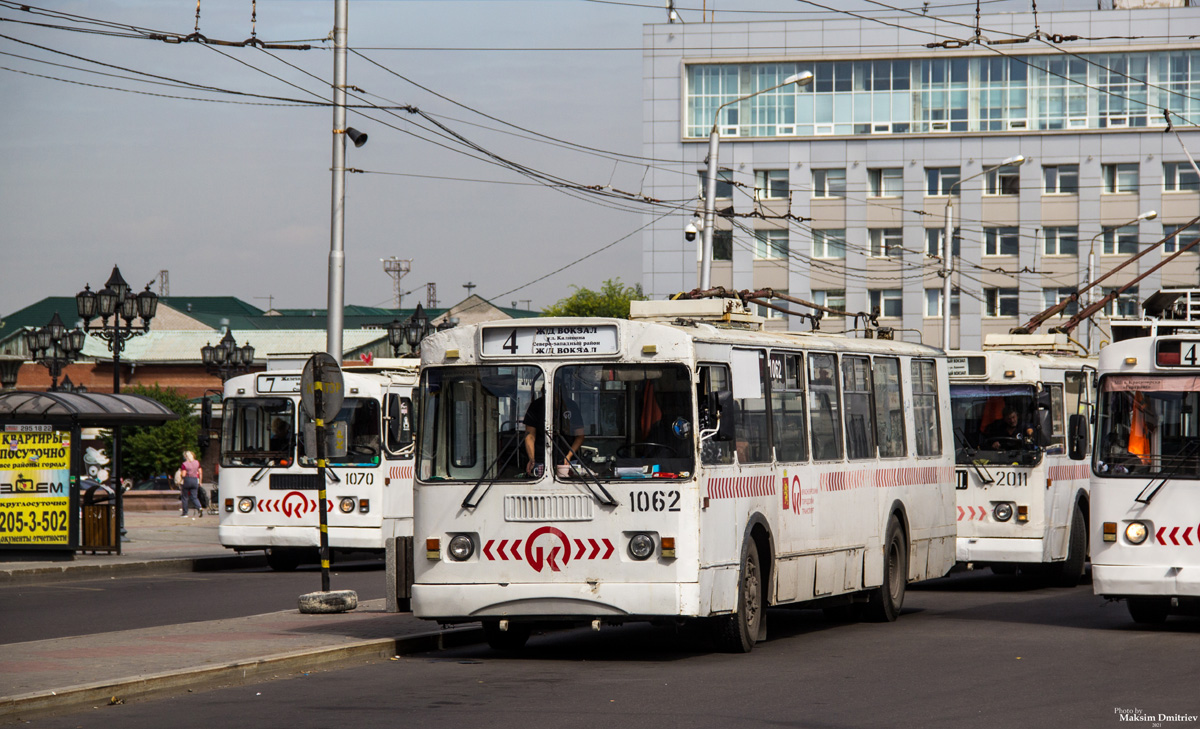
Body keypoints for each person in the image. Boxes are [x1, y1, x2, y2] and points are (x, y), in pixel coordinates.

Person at [523, 389, 584, 477]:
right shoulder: (535, 406)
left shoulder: (571, 406)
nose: (553, 400)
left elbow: (580, 436)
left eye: (556, 396)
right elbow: (529, 435)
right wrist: (532, 458)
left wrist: (569, 455)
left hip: (567, 460)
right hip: (540, 460)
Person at [178, 450, 204, 518]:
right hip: (195, 480)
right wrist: (200, 481)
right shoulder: (197, 463)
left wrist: (181, 475)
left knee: (185, 497)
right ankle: (199, 507)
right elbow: (200, 473)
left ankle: (185, 513)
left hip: (187, 480)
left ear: (186, 457)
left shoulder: (184, 464)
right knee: (194, 497)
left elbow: (183, 474)